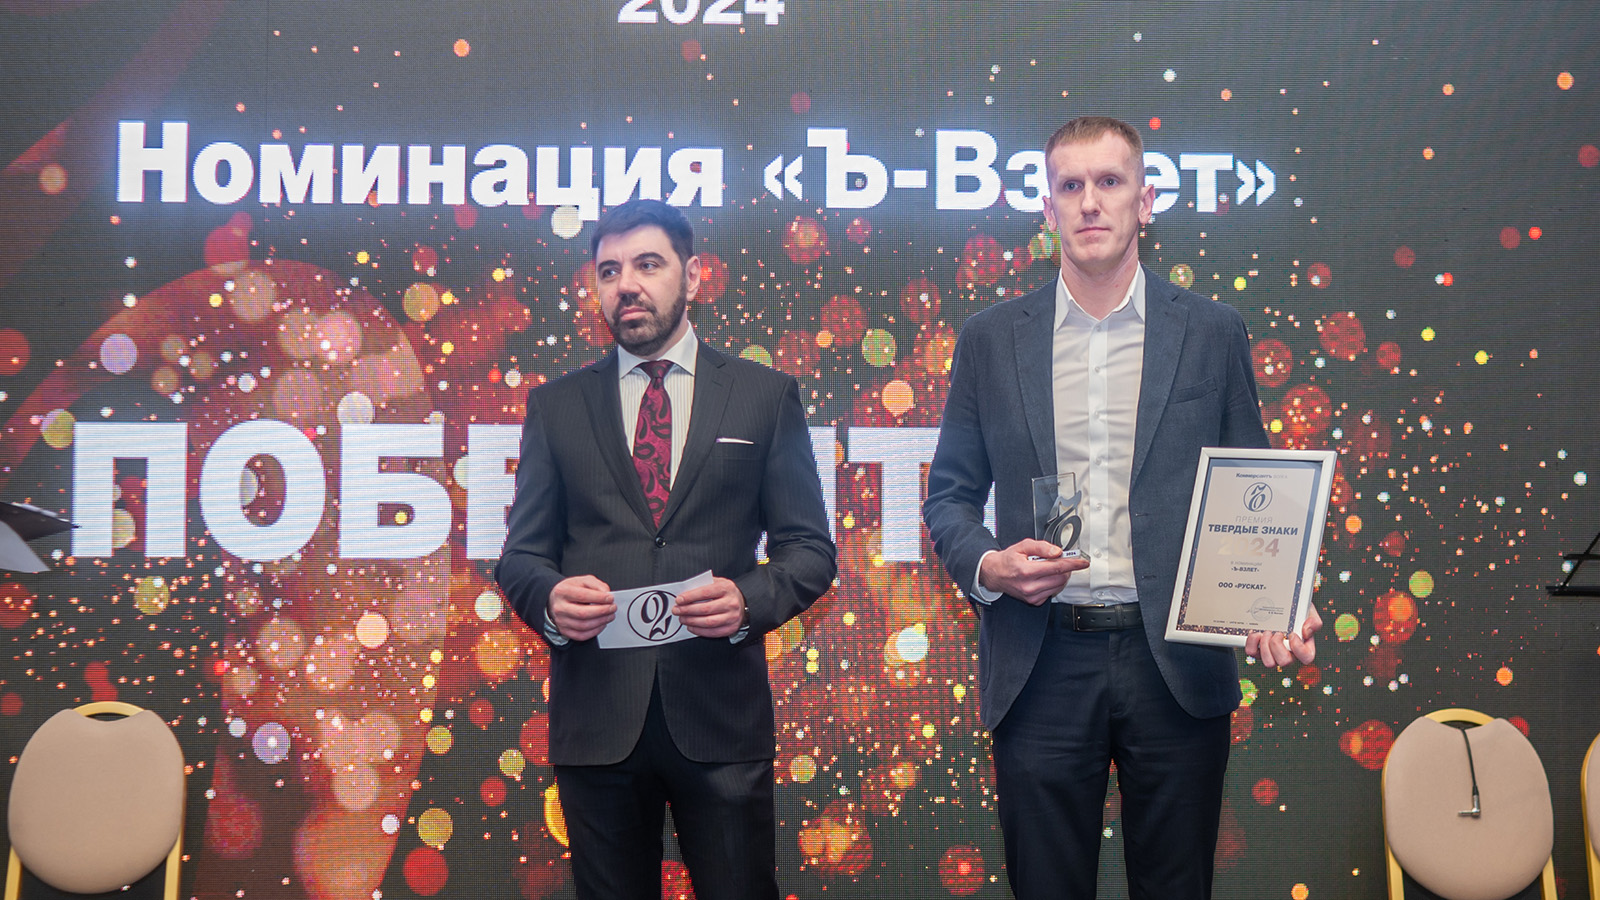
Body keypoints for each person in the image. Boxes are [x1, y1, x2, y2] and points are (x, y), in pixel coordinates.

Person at [922, 116, 1321, 900]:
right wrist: (990, 565)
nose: (1090, 202)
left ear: (1146, 201)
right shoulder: (991, 339)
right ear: (1048, 209)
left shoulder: (1212, 331)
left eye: (1109, 182)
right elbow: (948, 497)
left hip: (1176, 660)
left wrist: (1277, 599)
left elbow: (1257, 488)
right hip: (1040, 661)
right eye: (1070, 186)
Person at [495, 199, 836, 900]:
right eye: (609, 271)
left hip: (720, 719)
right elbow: (520, 558)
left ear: (694, 275)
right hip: (597, 723)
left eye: (648, 265)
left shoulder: (763, 396)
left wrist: (748, 600)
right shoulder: (555, 406)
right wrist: (550, 600)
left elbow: (809, 549)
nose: (627, 285)